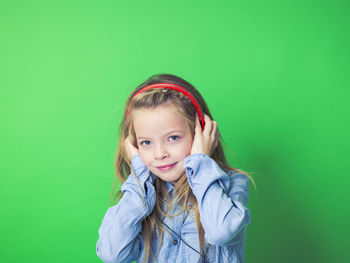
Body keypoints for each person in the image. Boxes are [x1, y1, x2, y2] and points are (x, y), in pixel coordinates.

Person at [96, 74, 253, 263]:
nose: (159, 153)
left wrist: (200, 162)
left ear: (201, 133)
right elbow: (111, 255)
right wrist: (139, 180)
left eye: (173, 138)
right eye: (146, 142)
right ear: (134, 146)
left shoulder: (233, 184)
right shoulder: (139, 195)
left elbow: (221, 231)